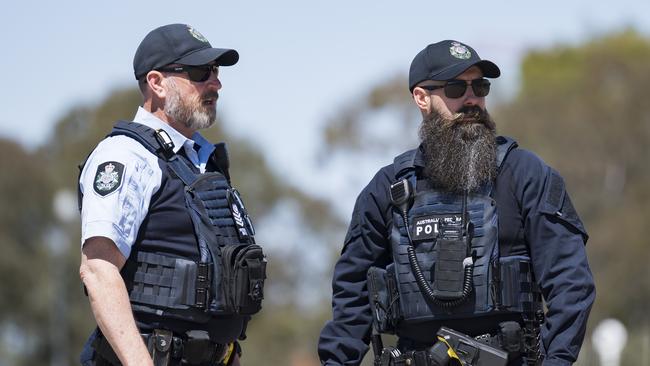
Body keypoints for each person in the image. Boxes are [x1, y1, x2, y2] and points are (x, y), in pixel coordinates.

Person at [318, 40, 595, 366]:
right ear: (422, 98)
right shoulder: (387, 189)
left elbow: (571, 285)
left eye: (479, 86)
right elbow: (351, 298)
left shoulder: (524, 174)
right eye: (455, 88)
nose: (472, 99)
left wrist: (556, 361)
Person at [78, 24, 266, 366]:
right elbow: (98, 269)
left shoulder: (202, 162)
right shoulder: (125, 156)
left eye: (216, 71)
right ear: (156, 83)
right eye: (200, 72)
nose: (216, 83)